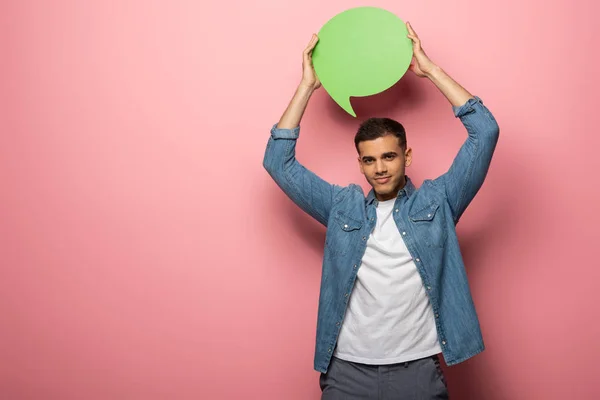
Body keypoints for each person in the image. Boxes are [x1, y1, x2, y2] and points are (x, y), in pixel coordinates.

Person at [263, 22, 499, 399]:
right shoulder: (343, 206)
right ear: (360, 164)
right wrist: (307, 85)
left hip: (417, 370)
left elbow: (484, 131)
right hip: (346, 371)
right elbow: (278, 161)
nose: (381, 168)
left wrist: (430, 70)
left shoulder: (437, 202)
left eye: (389, 156)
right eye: (369, 160)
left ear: (406, 156)